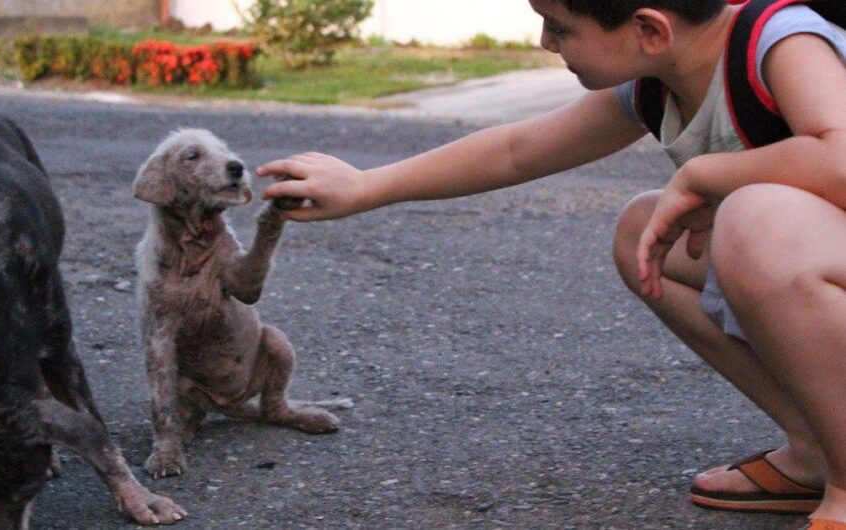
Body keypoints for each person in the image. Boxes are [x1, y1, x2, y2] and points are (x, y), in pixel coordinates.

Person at [257, 0, 846, 526]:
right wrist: (367, 186)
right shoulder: (657, 80)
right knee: (642, 232)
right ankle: (816, 450)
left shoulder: (781, 41)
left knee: (752, 220)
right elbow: (519, 151)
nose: (546, 42)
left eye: (560, 27)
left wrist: (703, 173)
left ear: (648, 29)